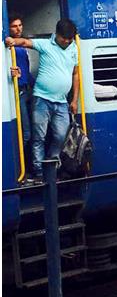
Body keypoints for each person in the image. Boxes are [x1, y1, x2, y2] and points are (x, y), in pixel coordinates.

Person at [5, 18, 79, 185]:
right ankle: (39, 172)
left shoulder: (74, 48)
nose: (67, 42)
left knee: (61, 136)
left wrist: (74, 100)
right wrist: (11, 41)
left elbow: (75, 74)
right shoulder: (45, 44)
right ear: (56, 35)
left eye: (70, 39)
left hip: (61, 102)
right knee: (39, 136)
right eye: (64, 39)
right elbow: (24, 42)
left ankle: (50, 166)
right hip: (42, 99)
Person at [7, 13, 34, 172]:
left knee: (34, 133)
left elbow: (27, 72)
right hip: (18, 93)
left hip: (27, 91)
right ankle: (18, 170)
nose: (18, 29)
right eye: (14, 26)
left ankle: (28, 168)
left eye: (20, 25)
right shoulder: (7, 48)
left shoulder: (23, 47)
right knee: (25, 134)